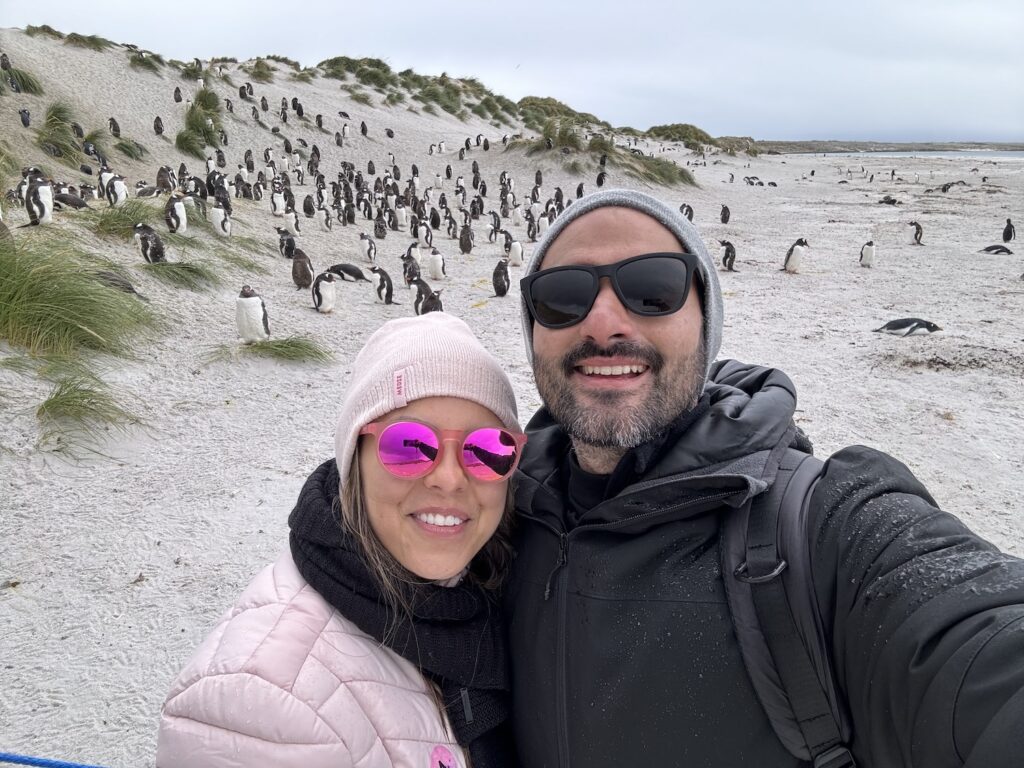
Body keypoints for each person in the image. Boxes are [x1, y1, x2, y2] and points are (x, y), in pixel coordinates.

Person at [507, 188, 1024, 767]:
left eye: (653, 289)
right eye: (561, 298)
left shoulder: (824, 525)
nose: (602, 322)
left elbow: (981, 643)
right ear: (532, 333)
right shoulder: (495, 519)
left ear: (707, 322)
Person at [157, 314, 524, 768]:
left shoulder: (491, 590)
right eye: (409, 444)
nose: (449, 479)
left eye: (488, 449)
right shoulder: (260, 702)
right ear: (354, 460)